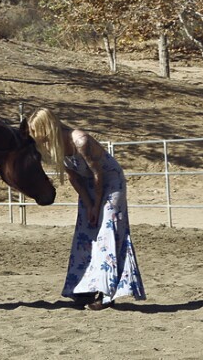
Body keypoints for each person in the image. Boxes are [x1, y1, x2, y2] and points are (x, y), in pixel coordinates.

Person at [28, 108, 145, 309]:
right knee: (85, 234)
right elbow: (73, 177)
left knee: (107, 232)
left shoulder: (81, 141)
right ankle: (84, 289)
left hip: (110, 182)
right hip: (87, 184)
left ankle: (106, 293)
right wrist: (89, 205)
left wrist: (97, 205)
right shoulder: (56, 148)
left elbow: (99, 173)